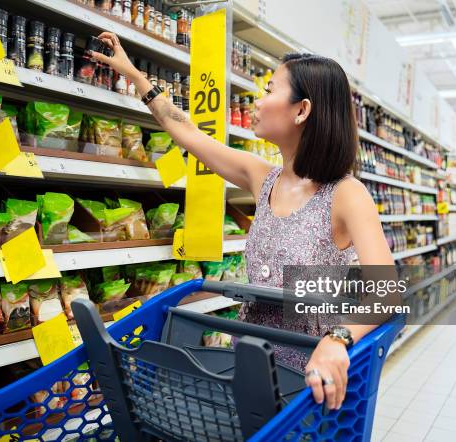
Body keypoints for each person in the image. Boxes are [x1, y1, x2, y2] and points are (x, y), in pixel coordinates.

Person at [92, 33, 395, 411]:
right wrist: (136, 77)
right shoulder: (261, 176)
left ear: (301, 110)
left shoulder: (347, 194)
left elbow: (386, 291)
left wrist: (338, 339)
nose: (258, 101)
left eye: (269, 90)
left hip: (308, 382)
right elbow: (186, 132)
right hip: (250, 365)